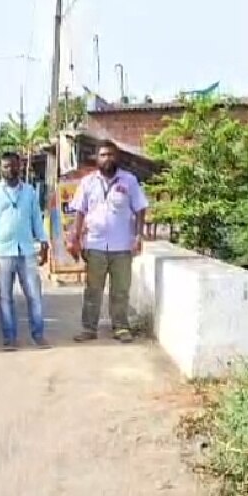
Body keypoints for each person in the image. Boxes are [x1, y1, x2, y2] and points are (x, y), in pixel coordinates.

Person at [67, 140, 149, 344]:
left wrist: (138, 236)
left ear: (117, 157)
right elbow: (79, 211)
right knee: (93, 289)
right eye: (103, 155)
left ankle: (121, 327)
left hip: (122, 246)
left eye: (111, 155)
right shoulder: (87, 182)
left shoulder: (129, 181)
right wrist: (74, 237)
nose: (107, 158)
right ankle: (88, 328)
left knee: (120, 290)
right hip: (94, 245)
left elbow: (140, 208)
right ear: (97, 158)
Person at [0, 152, 50, 351]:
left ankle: (38, 335)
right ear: (0, 168)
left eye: (13, 166)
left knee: (34, 295)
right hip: (3, 252)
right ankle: (9, 338)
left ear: (20, 167)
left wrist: (44, 243)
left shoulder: (29, 191)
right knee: (5, 297)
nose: (10, 170)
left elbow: (36, 219)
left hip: (27, 251)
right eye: (5, 166)